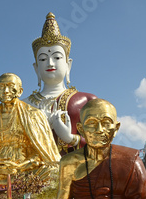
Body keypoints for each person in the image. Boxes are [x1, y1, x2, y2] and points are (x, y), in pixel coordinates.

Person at [23, 12, 96, 155]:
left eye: (56, 57)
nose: (50, 63)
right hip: (32, 174)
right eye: (43, 59)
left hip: (74, 173)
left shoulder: (88, 101)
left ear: (68, 65)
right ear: (36, 68)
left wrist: (69, 138)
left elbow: (102, 148)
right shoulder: (22, 106)